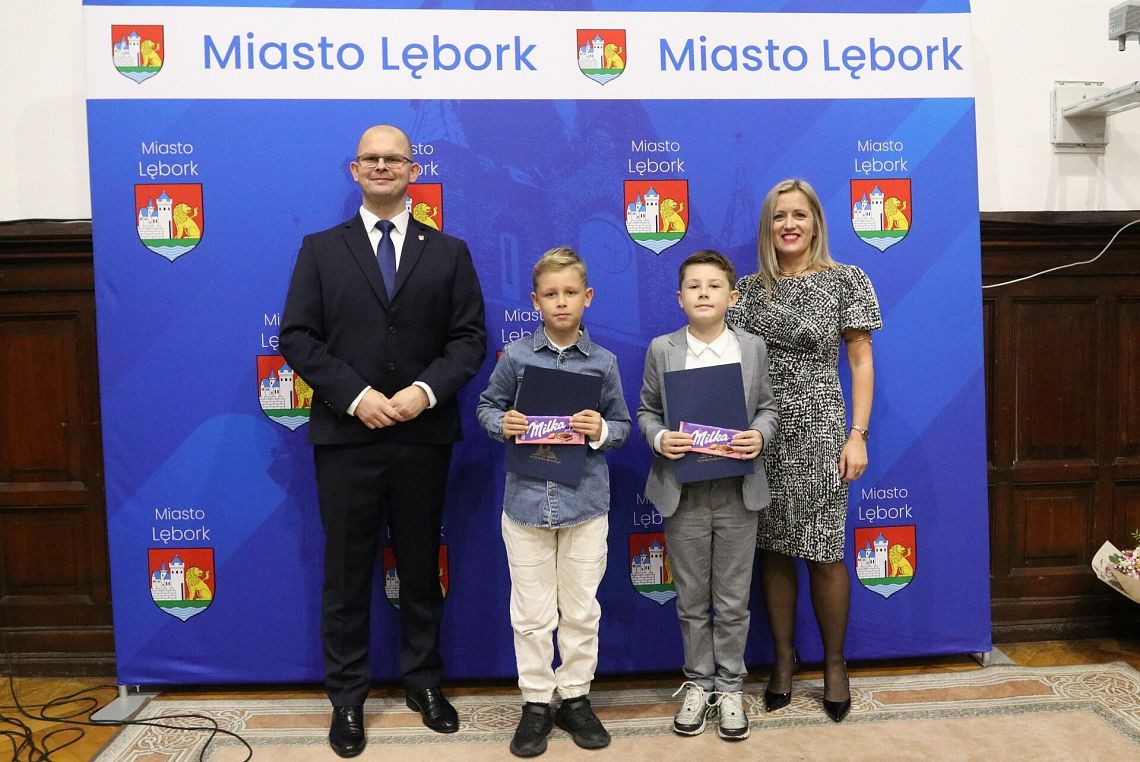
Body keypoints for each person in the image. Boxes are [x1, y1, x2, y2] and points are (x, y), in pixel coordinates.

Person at [280, 124, 487, 758]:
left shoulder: (449, 252)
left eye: (393, 158)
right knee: (346, 576)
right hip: (347, 437)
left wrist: (424, 392)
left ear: (412, 170)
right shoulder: (321, 249)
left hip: (423, 437)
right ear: (354, 170)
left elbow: (469, 340)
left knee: (421, 568)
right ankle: (347, 699)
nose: (381, 166)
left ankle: (424, 684)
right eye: (370, 158)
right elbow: (297, 337)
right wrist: (357, 396)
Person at [727, 178, 881, 724]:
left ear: (816, 222)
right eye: (778, 216)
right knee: (773, 549)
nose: (789, 224)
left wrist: (857, 434)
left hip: (821, 428)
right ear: (767, 227)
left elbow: (861, 360)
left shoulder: (846, 280)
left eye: (799, 214)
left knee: (824, 551)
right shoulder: (746, 291)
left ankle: (835, 665)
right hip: (761, 430)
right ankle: (783, 660)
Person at [476, 247, 630, 758]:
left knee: (582, 609)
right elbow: (487, 407)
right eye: (550, 294)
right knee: (531, 612)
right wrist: (503, 423)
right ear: (535, 300)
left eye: (570, 293)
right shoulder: (517, 357)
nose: (561, 302)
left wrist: (600, 429)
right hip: (525, 505)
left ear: (588, 297)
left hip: (585, 504)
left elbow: (622, 426)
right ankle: (537, 701)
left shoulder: (604, 363)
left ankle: (576, 697)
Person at [637, 250, 779, 741]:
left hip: (739, 490)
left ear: (732, 297)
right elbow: (646, 411)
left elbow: (768, 409)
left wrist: (760, 435)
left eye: (714, 286)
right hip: (684, 492)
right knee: (692, 599)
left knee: (734, 600)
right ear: (679, 298)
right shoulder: (662, 349)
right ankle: (699, 685)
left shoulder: (752, 348)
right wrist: (660, 438)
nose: (703, 293)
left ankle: (731, 688)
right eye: (693, 286)